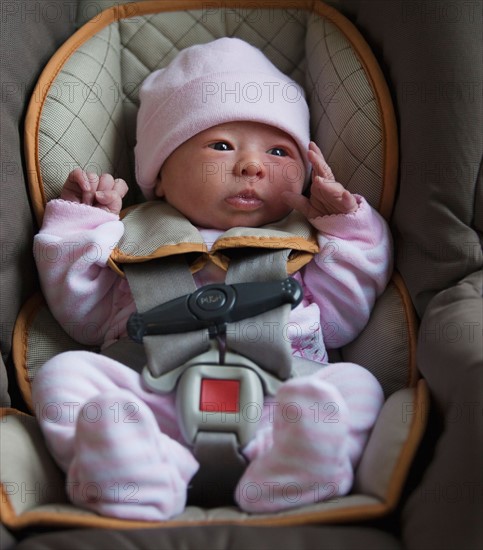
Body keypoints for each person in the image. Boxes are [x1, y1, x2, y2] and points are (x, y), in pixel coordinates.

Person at [32, 38, 392, 521]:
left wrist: (348, 230)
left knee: (358, 386)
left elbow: (343, 321)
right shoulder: (131, 237)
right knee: (63, 376)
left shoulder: (303, 246)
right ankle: (134, 473)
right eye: (221, 145)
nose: (252, 165)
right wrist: (81, 225)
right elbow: (80, 315)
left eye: (280, 152)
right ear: (159, 174)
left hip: (278, 396)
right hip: (151, 399)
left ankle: (292, 467)